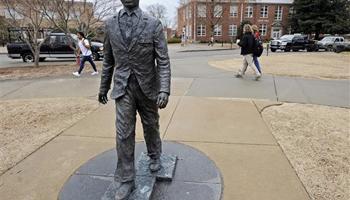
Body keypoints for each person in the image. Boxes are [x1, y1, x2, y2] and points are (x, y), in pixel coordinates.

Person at [98, 0, 171, 199]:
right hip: (123, 87)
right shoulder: (111, 24)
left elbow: (163, 61)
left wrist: (164, 89)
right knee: (123, 133)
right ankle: (126, 179)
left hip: (148, 86)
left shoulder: (153, 23)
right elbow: (108, 60)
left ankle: (155, 154)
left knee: (150, 124)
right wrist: (104, 86)